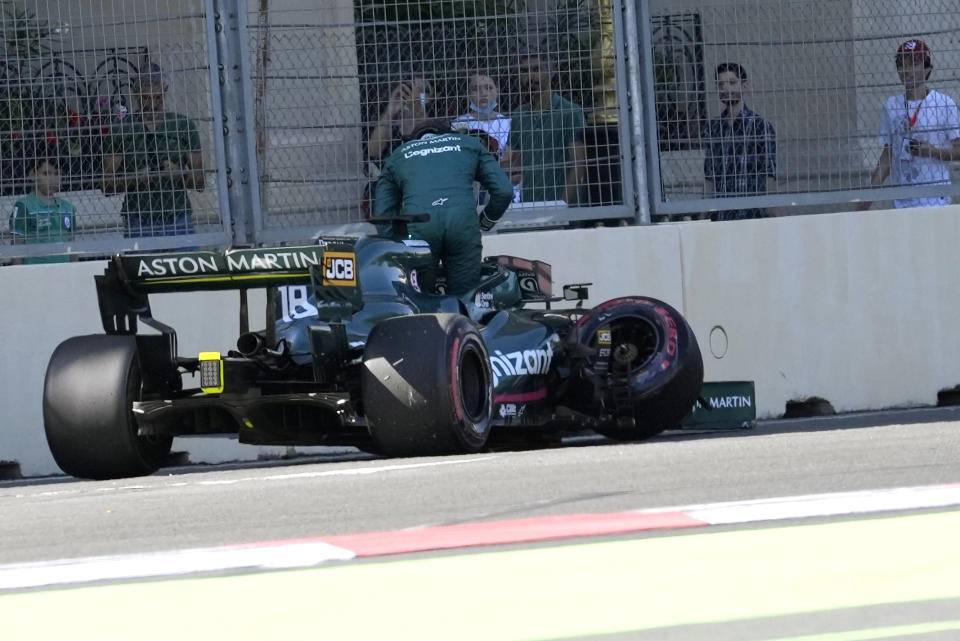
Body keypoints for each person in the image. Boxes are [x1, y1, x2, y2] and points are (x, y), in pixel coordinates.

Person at [372, 119, 514, 296]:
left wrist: (399, 244)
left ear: (414, 139)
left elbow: (382, 213)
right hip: (463, 225)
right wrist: (485, 222)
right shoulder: (469, 144)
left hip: (419, 230)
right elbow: (505, 191)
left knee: (419, 302)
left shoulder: (398, 155)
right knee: (467, 301)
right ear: (449, 132)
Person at [102, 65, 204, 237]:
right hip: (139, 216)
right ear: (135, 94)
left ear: (165, 92)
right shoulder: (121, 129)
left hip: (177, 214)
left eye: (157, 97)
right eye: (145, 98)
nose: (152, 104)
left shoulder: (183, 125)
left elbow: (200, 182)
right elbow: (106, 186)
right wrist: (135, 179)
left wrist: (179, 173)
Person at [859, 39, 960, 210]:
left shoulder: (944, 103)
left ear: (927, 68)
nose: (907, 70)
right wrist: (865, 201)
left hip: (936, 202)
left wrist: (932, 152)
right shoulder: (891, 105)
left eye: (914, 63)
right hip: (902, 203)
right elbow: (887, 156)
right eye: (902, 64)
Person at [702, 62, 777, 221]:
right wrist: (704, 210)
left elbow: (769, 172)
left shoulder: (760, 126)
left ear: (744, 85)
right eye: (720, 84)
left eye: (732, 82)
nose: (726, 89)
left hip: (751, 215)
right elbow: (709, 174)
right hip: (721, 216)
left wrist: (770, 210)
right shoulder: (713, 128)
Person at [508, 53, 586, 204]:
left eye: (536, 69)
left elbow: (579, 164)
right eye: (524, 71)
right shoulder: (519, 114)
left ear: (551, 71)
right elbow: (514, 164)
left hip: (565, 208)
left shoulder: (570, 112)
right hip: (529, 204)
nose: (530, 76)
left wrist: (561, 205)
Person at [451, 72, 521, 201]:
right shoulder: (458, 125)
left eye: (489, 88)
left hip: (509, 193)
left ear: (497, 91)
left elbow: (514, 163)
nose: (483, 93)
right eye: (476, 89)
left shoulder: (509, 123)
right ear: (468, 94)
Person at [9, 150, 77, 264]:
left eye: (57, 174)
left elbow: (73, 246)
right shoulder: (24, 206)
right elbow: (16, 247)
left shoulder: (68, 208)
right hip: (34, 275)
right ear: (32, 175)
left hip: (64, 274)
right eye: (46, 173)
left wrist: (75, 272)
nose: (52, 179)